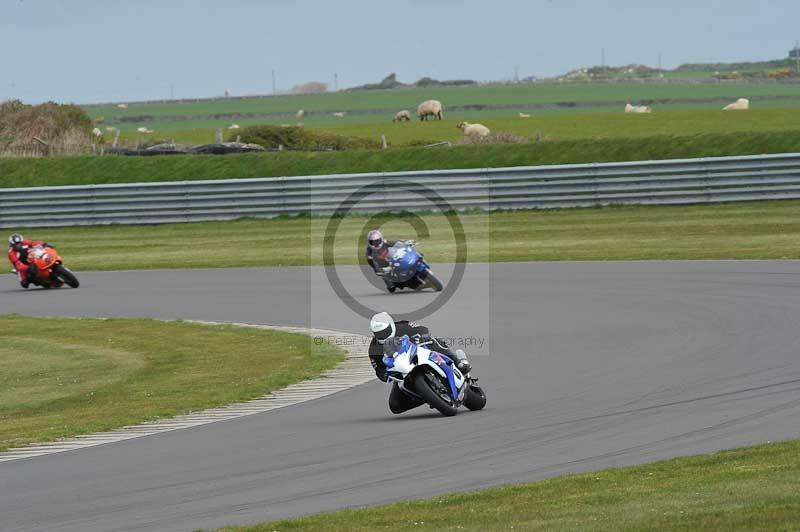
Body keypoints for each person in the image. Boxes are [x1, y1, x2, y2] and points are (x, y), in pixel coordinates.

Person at [368, 311, 471, 414]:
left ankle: (459, 362)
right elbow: (379, 369)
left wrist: (421, 337)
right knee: (395, 406)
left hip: (419, 353)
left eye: (385, 331)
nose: (382, 335)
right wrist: (385, 375)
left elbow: (422, 329)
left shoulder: (402, 326)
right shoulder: (373, 349)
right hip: (403, 369)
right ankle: (427, 396)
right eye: (379, 334)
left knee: (434, 341)